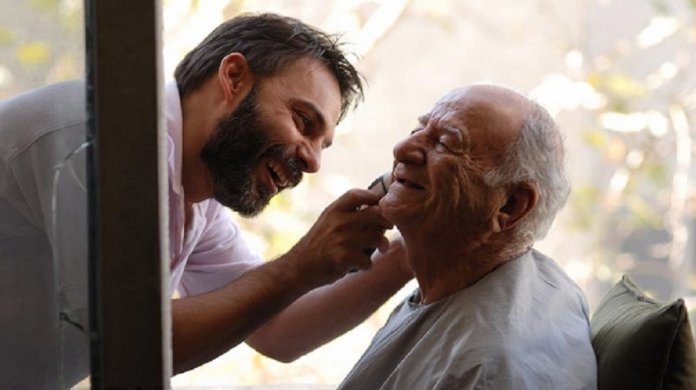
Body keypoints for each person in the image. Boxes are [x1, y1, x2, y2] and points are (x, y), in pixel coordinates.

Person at [0, 13, 412, 388]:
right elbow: (132, 343)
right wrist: (301, 264)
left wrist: (412, 253)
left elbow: (278, 330)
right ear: (233, 77)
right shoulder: (104, 136)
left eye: (322, 145)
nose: (313, 161)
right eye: (303, 122)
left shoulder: (196, 198)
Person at [338, 84, 597, 389]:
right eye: (417, 129)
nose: (402, 149)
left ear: (510, 204)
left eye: (445, 143)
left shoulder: (482, 370)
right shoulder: (535, 281)